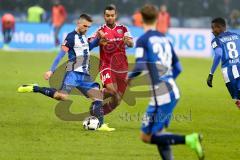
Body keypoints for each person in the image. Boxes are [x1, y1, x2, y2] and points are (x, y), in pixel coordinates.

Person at [127, 4, 204, 160]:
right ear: (157, 19)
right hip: (172, 90)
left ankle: (189, 139)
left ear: (141, 19)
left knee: (146, 136)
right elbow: (179, 67)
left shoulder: (143, 40)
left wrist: (128, 77)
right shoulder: (166, 39)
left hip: (161, 96)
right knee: (159, 132)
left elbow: (140, 64)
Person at [17, 14, 115, 132]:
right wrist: (51, 70)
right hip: (73, 73)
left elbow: (87, 48)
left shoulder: (84, 37)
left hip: (84, 75)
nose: (86, 29)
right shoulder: (70, 38)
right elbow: (60, 54)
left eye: (89, 27)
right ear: (78, 23)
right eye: (85, 26)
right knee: (61, 96)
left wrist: (98, 40)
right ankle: (36, 88)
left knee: (98, 97)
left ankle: (101, 124)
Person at [89, 5, 134, 114]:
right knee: (111, 90)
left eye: (112, 15)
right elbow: (89, 45)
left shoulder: (123, 29)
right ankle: (93, 94)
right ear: (104, 16)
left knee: (117, 101)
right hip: (106, 65)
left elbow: (131, 43)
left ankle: (96, 114)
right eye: (108, 15)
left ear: (116, 16)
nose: (110, 18)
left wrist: (128, 42)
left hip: (122, 68)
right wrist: (98, 41)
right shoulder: (100, 30)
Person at [207, 17, 240, 109]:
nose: (212, 31)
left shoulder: (216, 40)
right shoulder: (237, 36)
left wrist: (211, 74)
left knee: (238, 101)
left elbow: (218, 55)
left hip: (229, 72)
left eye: (214, 27)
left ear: (222, 27)